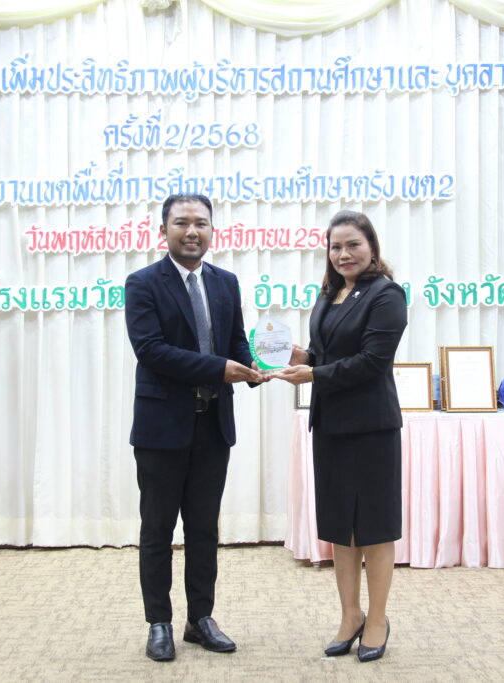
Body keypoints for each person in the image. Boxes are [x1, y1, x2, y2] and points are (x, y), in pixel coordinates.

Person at [124, 194, 265, 662]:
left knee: (204, 529)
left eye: (201, 223)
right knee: (158, 529)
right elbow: (151, 350)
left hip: (213, 426)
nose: (192, 231)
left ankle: (200, 619)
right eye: (181, 223)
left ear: (211, 230)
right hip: (162, 428)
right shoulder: (143, 283)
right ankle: (158, 622)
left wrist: (256, 367)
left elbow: (236, 342)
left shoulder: (226, 282)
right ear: (163, 230)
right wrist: (219, 369)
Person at [276, 210, 407, 663]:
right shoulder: (329, 294)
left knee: (374, 527)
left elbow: (373, 362)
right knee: (340, 528)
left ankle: (378, 619)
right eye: (336, 246)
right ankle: (350, 615)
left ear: (371, 246)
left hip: (371, 428)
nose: (344, 254)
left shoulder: (387, 294)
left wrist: (315, 373)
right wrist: (303, 357)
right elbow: (327, 354)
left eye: (353, 244)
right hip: (330, 425)